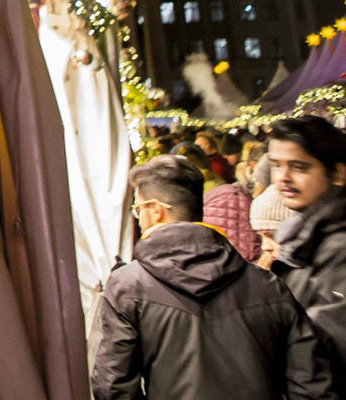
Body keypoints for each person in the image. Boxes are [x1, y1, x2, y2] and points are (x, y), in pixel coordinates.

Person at [92, 155, 333, 399]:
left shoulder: (129, 286)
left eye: (137, 209)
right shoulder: (267, 285)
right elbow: (311, 384)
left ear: (155, 210)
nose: (139, 218)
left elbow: (114, 386)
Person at [265, 115, 346, 359]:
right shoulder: (303, 232)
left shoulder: (338, 244)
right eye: (276, 165)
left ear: (337, 173)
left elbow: (329, 338)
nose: (283, 178)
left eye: (299, 167)